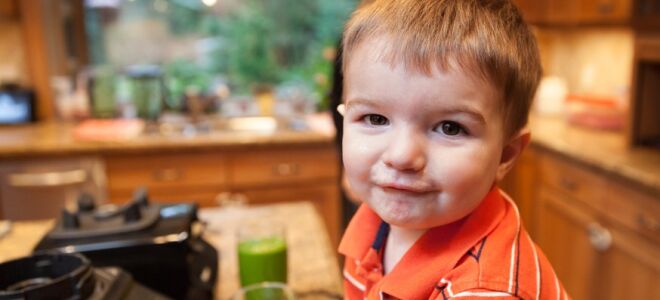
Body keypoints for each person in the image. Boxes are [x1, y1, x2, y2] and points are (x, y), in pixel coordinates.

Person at [337, 0, 568, 299]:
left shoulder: (484, 290)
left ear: (506, 154)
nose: (401, 156)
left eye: (450, 127)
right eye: (375, 118)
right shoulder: (377, 218)